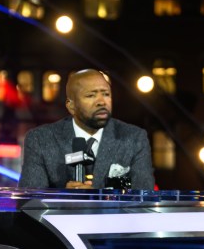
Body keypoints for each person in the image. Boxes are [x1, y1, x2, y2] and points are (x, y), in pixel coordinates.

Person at [17, 68, 155, 190]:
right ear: (71, 106)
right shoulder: (40, 140)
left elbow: (144, 198)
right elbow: (30, 200)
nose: (101, 101)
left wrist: (95, 196)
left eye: (106, 94)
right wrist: (63, 197)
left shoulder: (135, 138)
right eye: (91, 95)